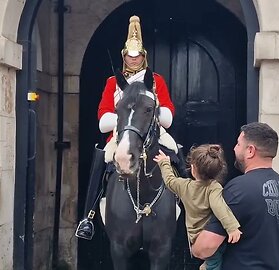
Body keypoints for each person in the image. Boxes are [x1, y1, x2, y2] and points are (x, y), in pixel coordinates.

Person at [75, 15, 178, 240]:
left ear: (144, 56)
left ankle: (187, 208)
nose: (134, 60)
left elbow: (168, 112)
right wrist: (126, 120)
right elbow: (103, 117)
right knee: (102, 159)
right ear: (124, 56)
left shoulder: (155, 80)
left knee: (175, 152)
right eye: (130, 56)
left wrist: (147, 116)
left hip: (152, 132)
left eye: (138, 55)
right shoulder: (113, 82)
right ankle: (88, 216)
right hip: (120, 135)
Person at [191, 122, 279, 270]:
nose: (234, 148)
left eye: (238, 144)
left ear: (250, 150)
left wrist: (195, 246)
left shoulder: (239, 188)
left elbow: (205, 248)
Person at [153, 145, 242, 270]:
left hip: (194, 237)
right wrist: (232, 227)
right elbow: (219, 206)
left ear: (193, 169)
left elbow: (169, 180)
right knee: (215, 260)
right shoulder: (213, 187)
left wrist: (164, 163)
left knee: (213, 258)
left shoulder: (184, 186)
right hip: (210, 237)